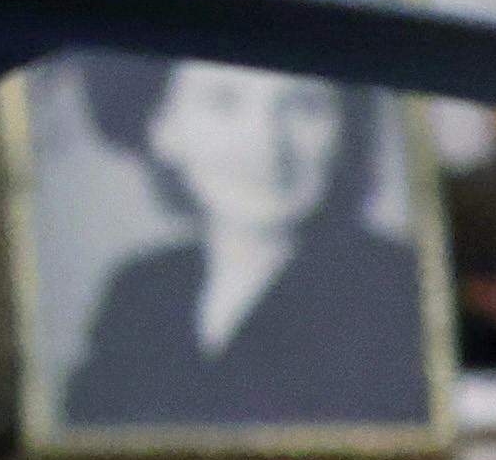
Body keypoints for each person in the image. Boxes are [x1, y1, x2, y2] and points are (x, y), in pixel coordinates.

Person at [55, 54, 433, 434]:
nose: (265, 142)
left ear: (345, 128)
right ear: (162, 127)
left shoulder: (398, 288)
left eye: (305, 105)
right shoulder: (139, 292)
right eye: (224, 101)